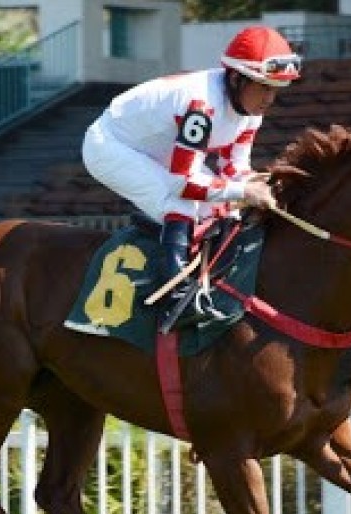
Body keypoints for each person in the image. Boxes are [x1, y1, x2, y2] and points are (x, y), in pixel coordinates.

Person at [81, 25, 301, 330]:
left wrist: (255, 185)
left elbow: (235, 168)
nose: (270, 98)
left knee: (225, 206)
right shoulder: (202, 107)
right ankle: (177, 295)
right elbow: (183, 183)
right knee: (183, 202)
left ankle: (213, 280)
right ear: (237, 78)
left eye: (276, 88)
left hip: (157, 146)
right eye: (264, 86)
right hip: (111, 145)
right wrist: (243, 192)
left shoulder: (251, 111)